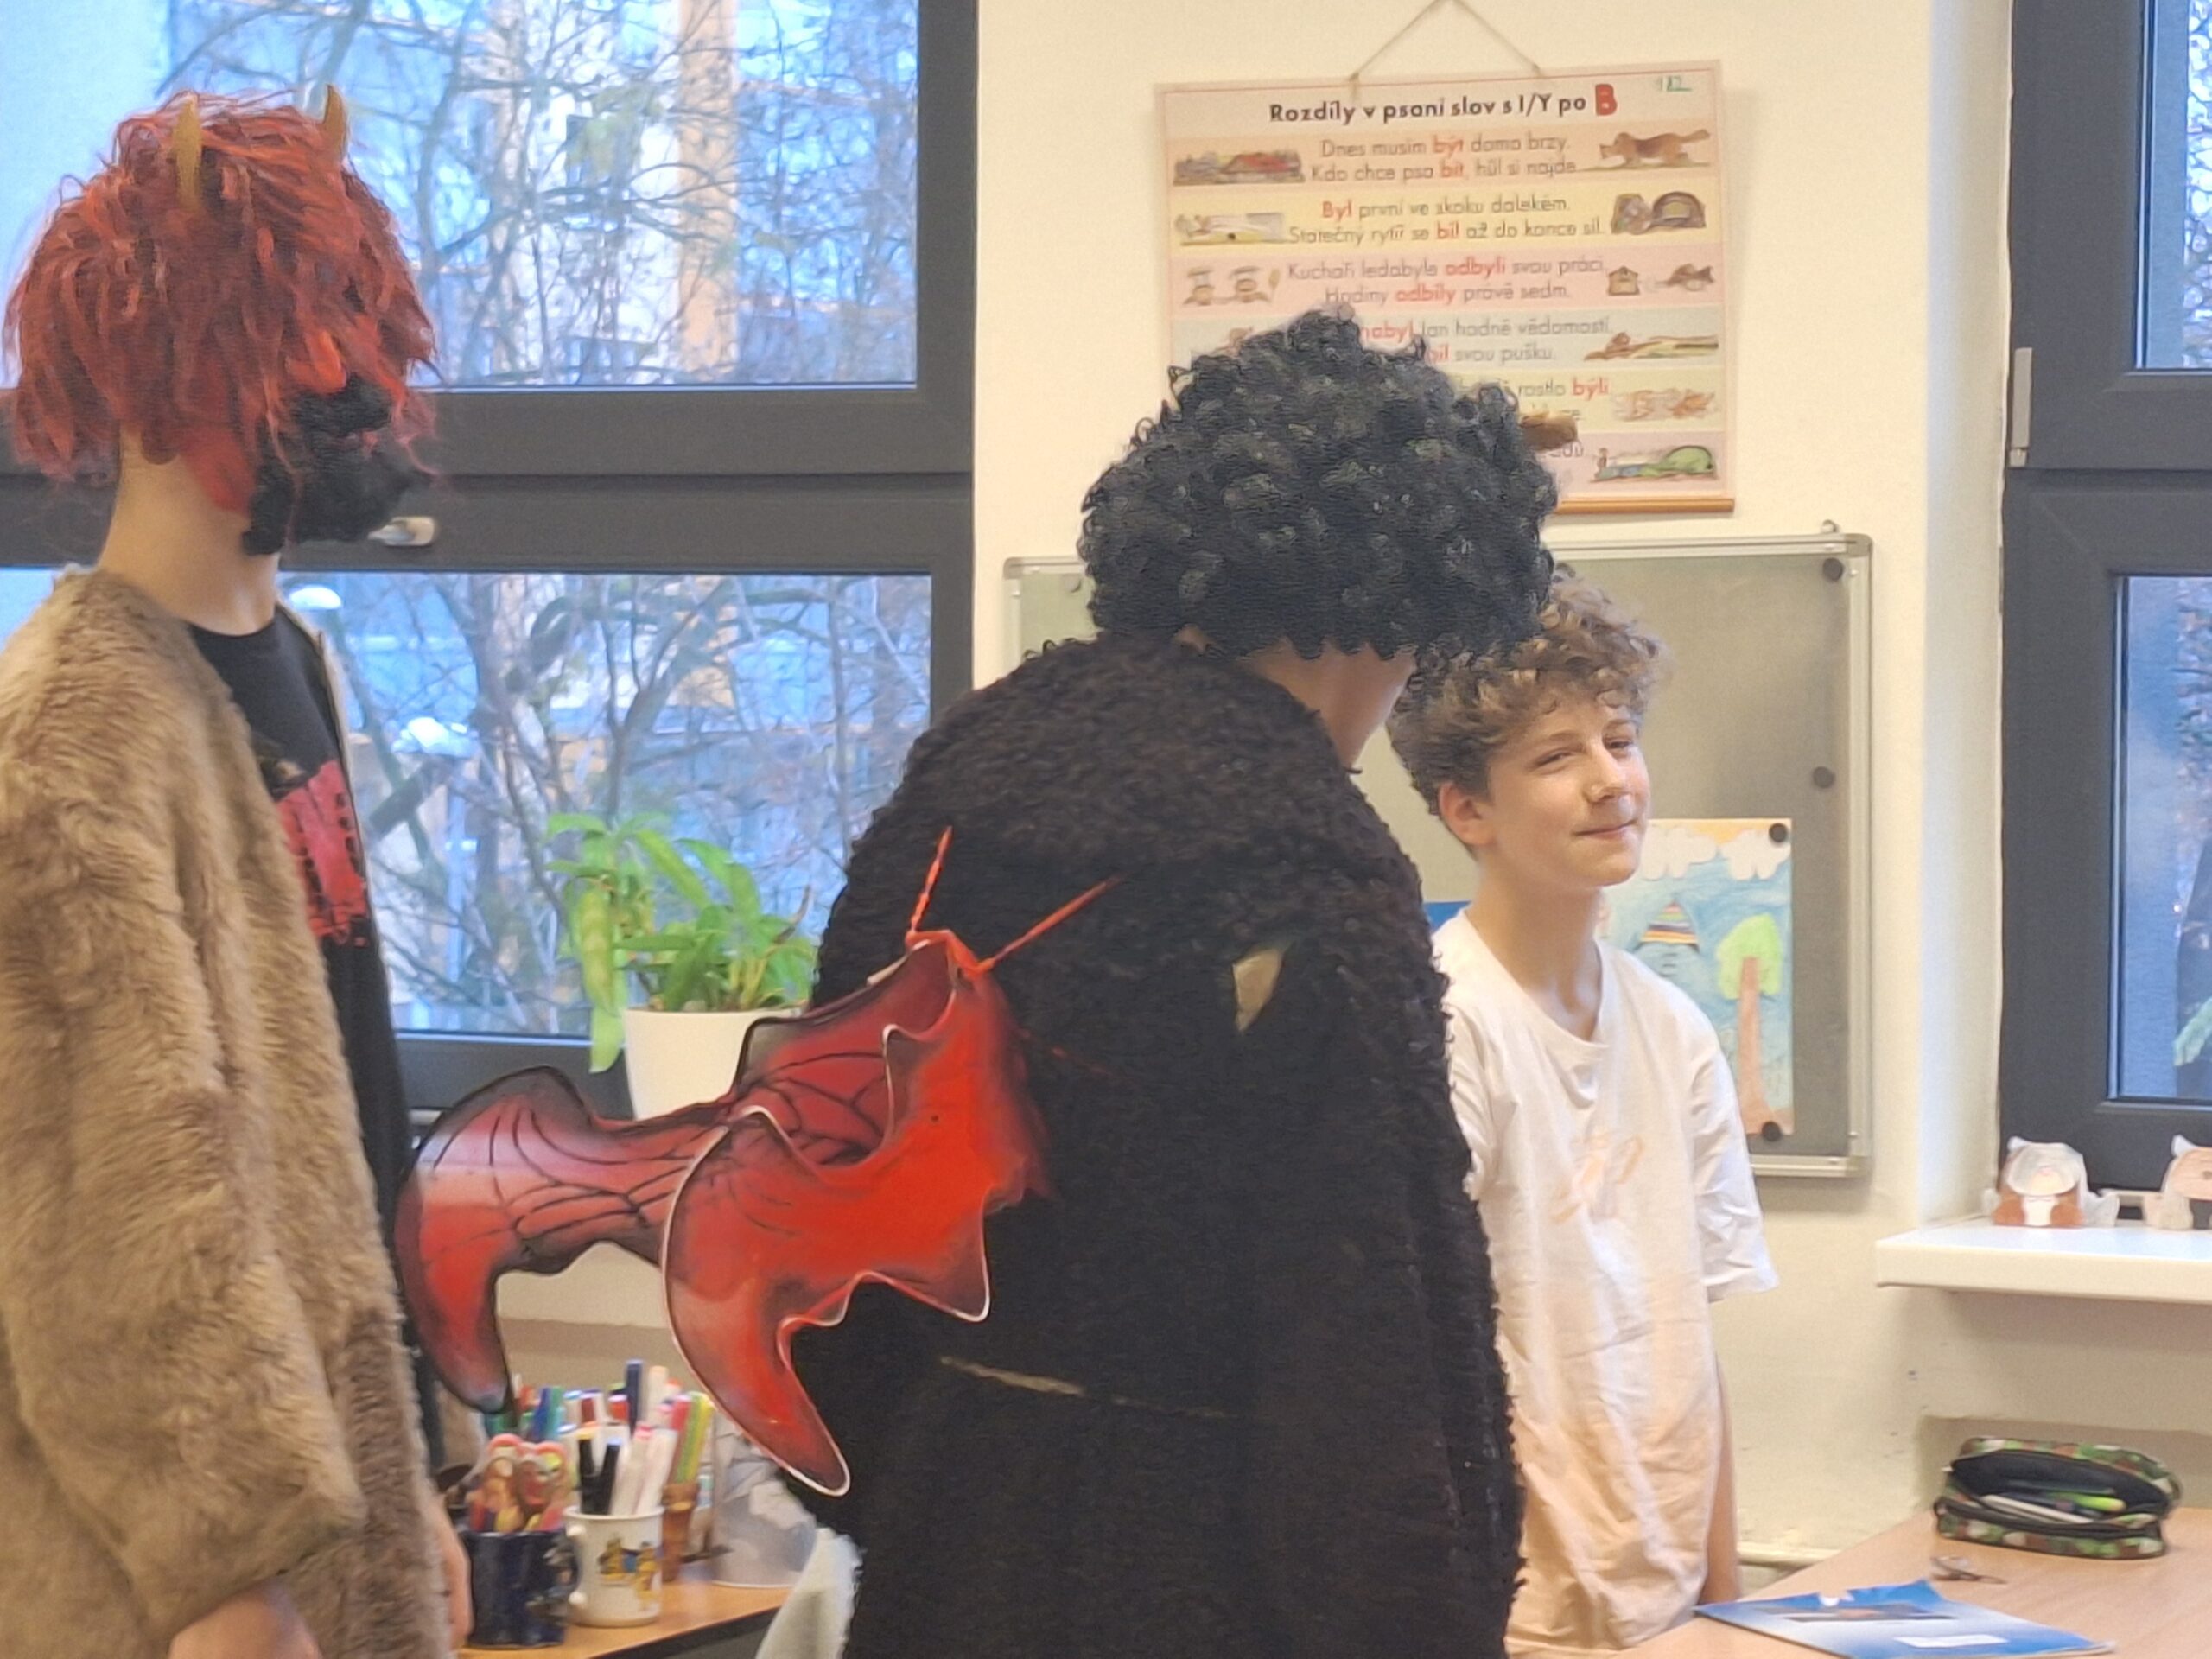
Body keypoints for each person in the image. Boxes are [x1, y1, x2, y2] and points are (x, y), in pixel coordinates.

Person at [772, 310, 1560, 1659]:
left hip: (947, 1540)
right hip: (1205, 1570)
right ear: (1385, 609)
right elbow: (1371, 1331)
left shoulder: (955, 791)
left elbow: (823, 1183)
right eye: (1419, 643)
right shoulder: (1306, 863)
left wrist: (923, 1475)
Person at [0, 92, 467, 1659]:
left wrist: (420, 1478)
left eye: (357, 325)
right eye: (294, 338)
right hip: (179, 1588)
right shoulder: (69, 737)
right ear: (155, 377)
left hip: (341, 1515)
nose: (350, 383)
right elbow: (107, 1212)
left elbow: (346, 1108)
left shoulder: (292, 665)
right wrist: (228, 1586)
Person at [1388, 576, 1778, 1656]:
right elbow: (1418, 1365)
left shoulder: (1674, 1027)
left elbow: (1692, 1347)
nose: (1611, 780)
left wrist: (1725, 1602)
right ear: (1467, 810)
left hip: (1666, 1594)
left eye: (1620, 740)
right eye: (1556, 757)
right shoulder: (1443, 1024)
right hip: (1510, 1612)